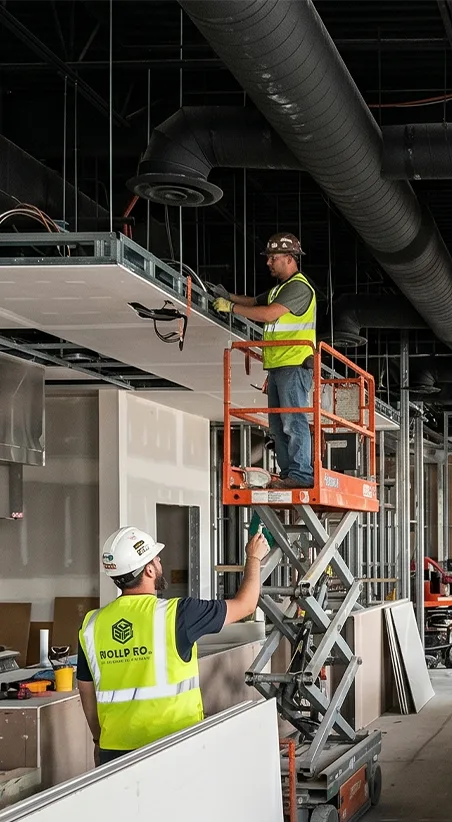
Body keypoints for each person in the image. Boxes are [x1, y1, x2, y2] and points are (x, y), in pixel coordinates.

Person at [77, 525, 270, 767]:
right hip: (173, 748)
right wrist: (253, 558)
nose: (160, 560)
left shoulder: (92, 624)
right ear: (149, 570)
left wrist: (99, 740)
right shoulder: (178, 614)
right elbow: (246, 605)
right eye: (155, 558)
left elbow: (86, 689)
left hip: (115, 754)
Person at [212, 232, 317, 488]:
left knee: (292, 422)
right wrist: (229, 297)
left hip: (294, 364)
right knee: (278, 426)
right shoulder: (281, 289)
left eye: (273, 257)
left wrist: (231, 308)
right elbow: (255, 301)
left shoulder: (299, 287)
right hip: (279, 366)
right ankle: (289, 474)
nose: (268, 262)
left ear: (289, 258)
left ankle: (301, 475)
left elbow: (268, 314)